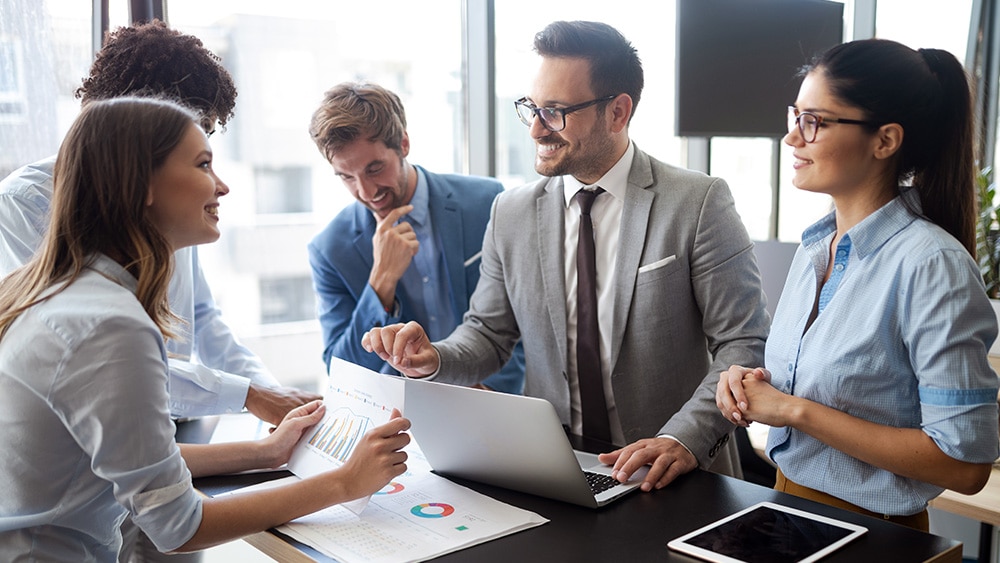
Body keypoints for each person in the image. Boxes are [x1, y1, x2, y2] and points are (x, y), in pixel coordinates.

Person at [363, 20, 769, 491]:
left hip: (673, 477)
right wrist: (432, 357)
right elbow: (489, 334)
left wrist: (681, 440)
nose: (536, 129)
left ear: (617, 112)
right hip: (556, 473)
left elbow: (743, 343)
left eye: (555, 112)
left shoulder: (698, 203)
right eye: (532, 108)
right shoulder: (510, 211)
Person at [0, 97, 410, 561]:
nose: (223, 186)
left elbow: (127, 460)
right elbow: (178, 527)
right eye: (203, 164)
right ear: (144, 185)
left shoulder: (61, 292)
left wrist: (267, 452)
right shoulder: (110, 326)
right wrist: (343, 482)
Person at [716, 39, 1000, 531]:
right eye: (795, 116)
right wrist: (749, 382)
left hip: (876, 535)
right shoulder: (816, 249)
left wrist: (793, 410)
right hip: (788, 506)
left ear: (885, 140)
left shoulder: (933, 265)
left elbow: (965, 465)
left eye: (815, 121)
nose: (791, 138)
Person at [0, 20, 321, 426]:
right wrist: (250, 395)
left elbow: (200, 315)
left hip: (174, 425)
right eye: (194, 140)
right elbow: (89, 358)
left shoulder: (170, 211)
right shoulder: (25, 203)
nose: (214, 181)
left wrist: (271, 396)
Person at [307, 81, 524, 393]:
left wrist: (498, 395)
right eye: (346, 176)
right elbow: (341, 372)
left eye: (374, 168)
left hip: (497, 397)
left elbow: (520, 322)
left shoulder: (486, 202)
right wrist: (380, 282)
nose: (366, 192)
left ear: (404, 144)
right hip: (403, 418)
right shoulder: (329, 250)